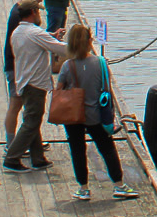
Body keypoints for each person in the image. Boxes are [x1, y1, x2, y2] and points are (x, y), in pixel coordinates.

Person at [54, 24, 139, 201]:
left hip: (73, 116)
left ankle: (83, 188)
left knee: (77, 150)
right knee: (107, 148)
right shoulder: (100, 63)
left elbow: (59, 89)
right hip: (96, 116)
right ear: (89, 41)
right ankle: (118, 185)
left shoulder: (68, 66)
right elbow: (107, 89)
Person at [3, 0, 68, 171]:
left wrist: (50, 37)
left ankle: (38, 158)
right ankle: (12, 158)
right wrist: (81, 44)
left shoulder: (17, 32)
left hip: (23, 82)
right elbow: (62, 50)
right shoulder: (35, 32)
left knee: (32, 119)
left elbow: (38, 42)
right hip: (35, 85)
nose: (40, 14)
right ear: (32, 12)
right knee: (31, 122)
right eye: (38, 11)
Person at [4, 0, 43, 143]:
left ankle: (32, 142)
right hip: (16, 67)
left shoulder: (18, 10)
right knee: (15, 105)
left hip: (21, 66)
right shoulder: (18, 17)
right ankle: (11, 143)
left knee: (29, 108)